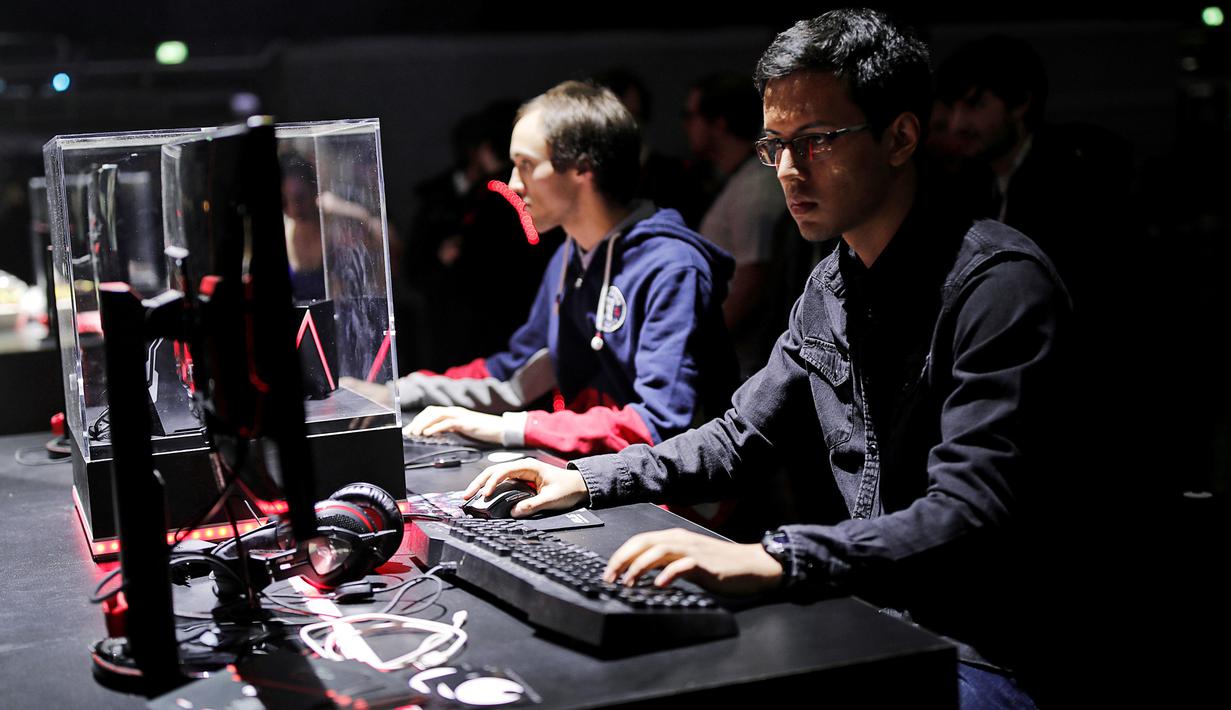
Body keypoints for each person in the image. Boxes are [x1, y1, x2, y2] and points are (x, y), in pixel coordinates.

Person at [465, 10, 1077, 707]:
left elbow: (967, 513)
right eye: (775, 143)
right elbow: (740, 436)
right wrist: (583, 479)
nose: (787, 169)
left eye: (815, 140)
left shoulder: (998, 285)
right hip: (869, 615)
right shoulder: (832, 284)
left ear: (900, 136)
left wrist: (773, 558)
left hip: (982, 652)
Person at [395, 80, 737, 457]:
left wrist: (511, 427)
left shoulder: (672, 268)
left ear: (582, 168)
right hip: (604, 477)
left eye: (526, 165)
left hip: (684, 506)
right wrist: (404, 390)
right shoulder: (570, 256)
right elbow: (517, 373)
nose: (512, 184)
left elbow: (660, 423)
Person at [685, 72, 791, 379]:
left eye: (690, 116)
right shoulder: (741, 183)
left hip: (741, 372)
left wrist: (697, 347)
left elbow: (751, 284)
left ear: (718, 123)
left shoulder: (754, 189)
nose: (685, 126)